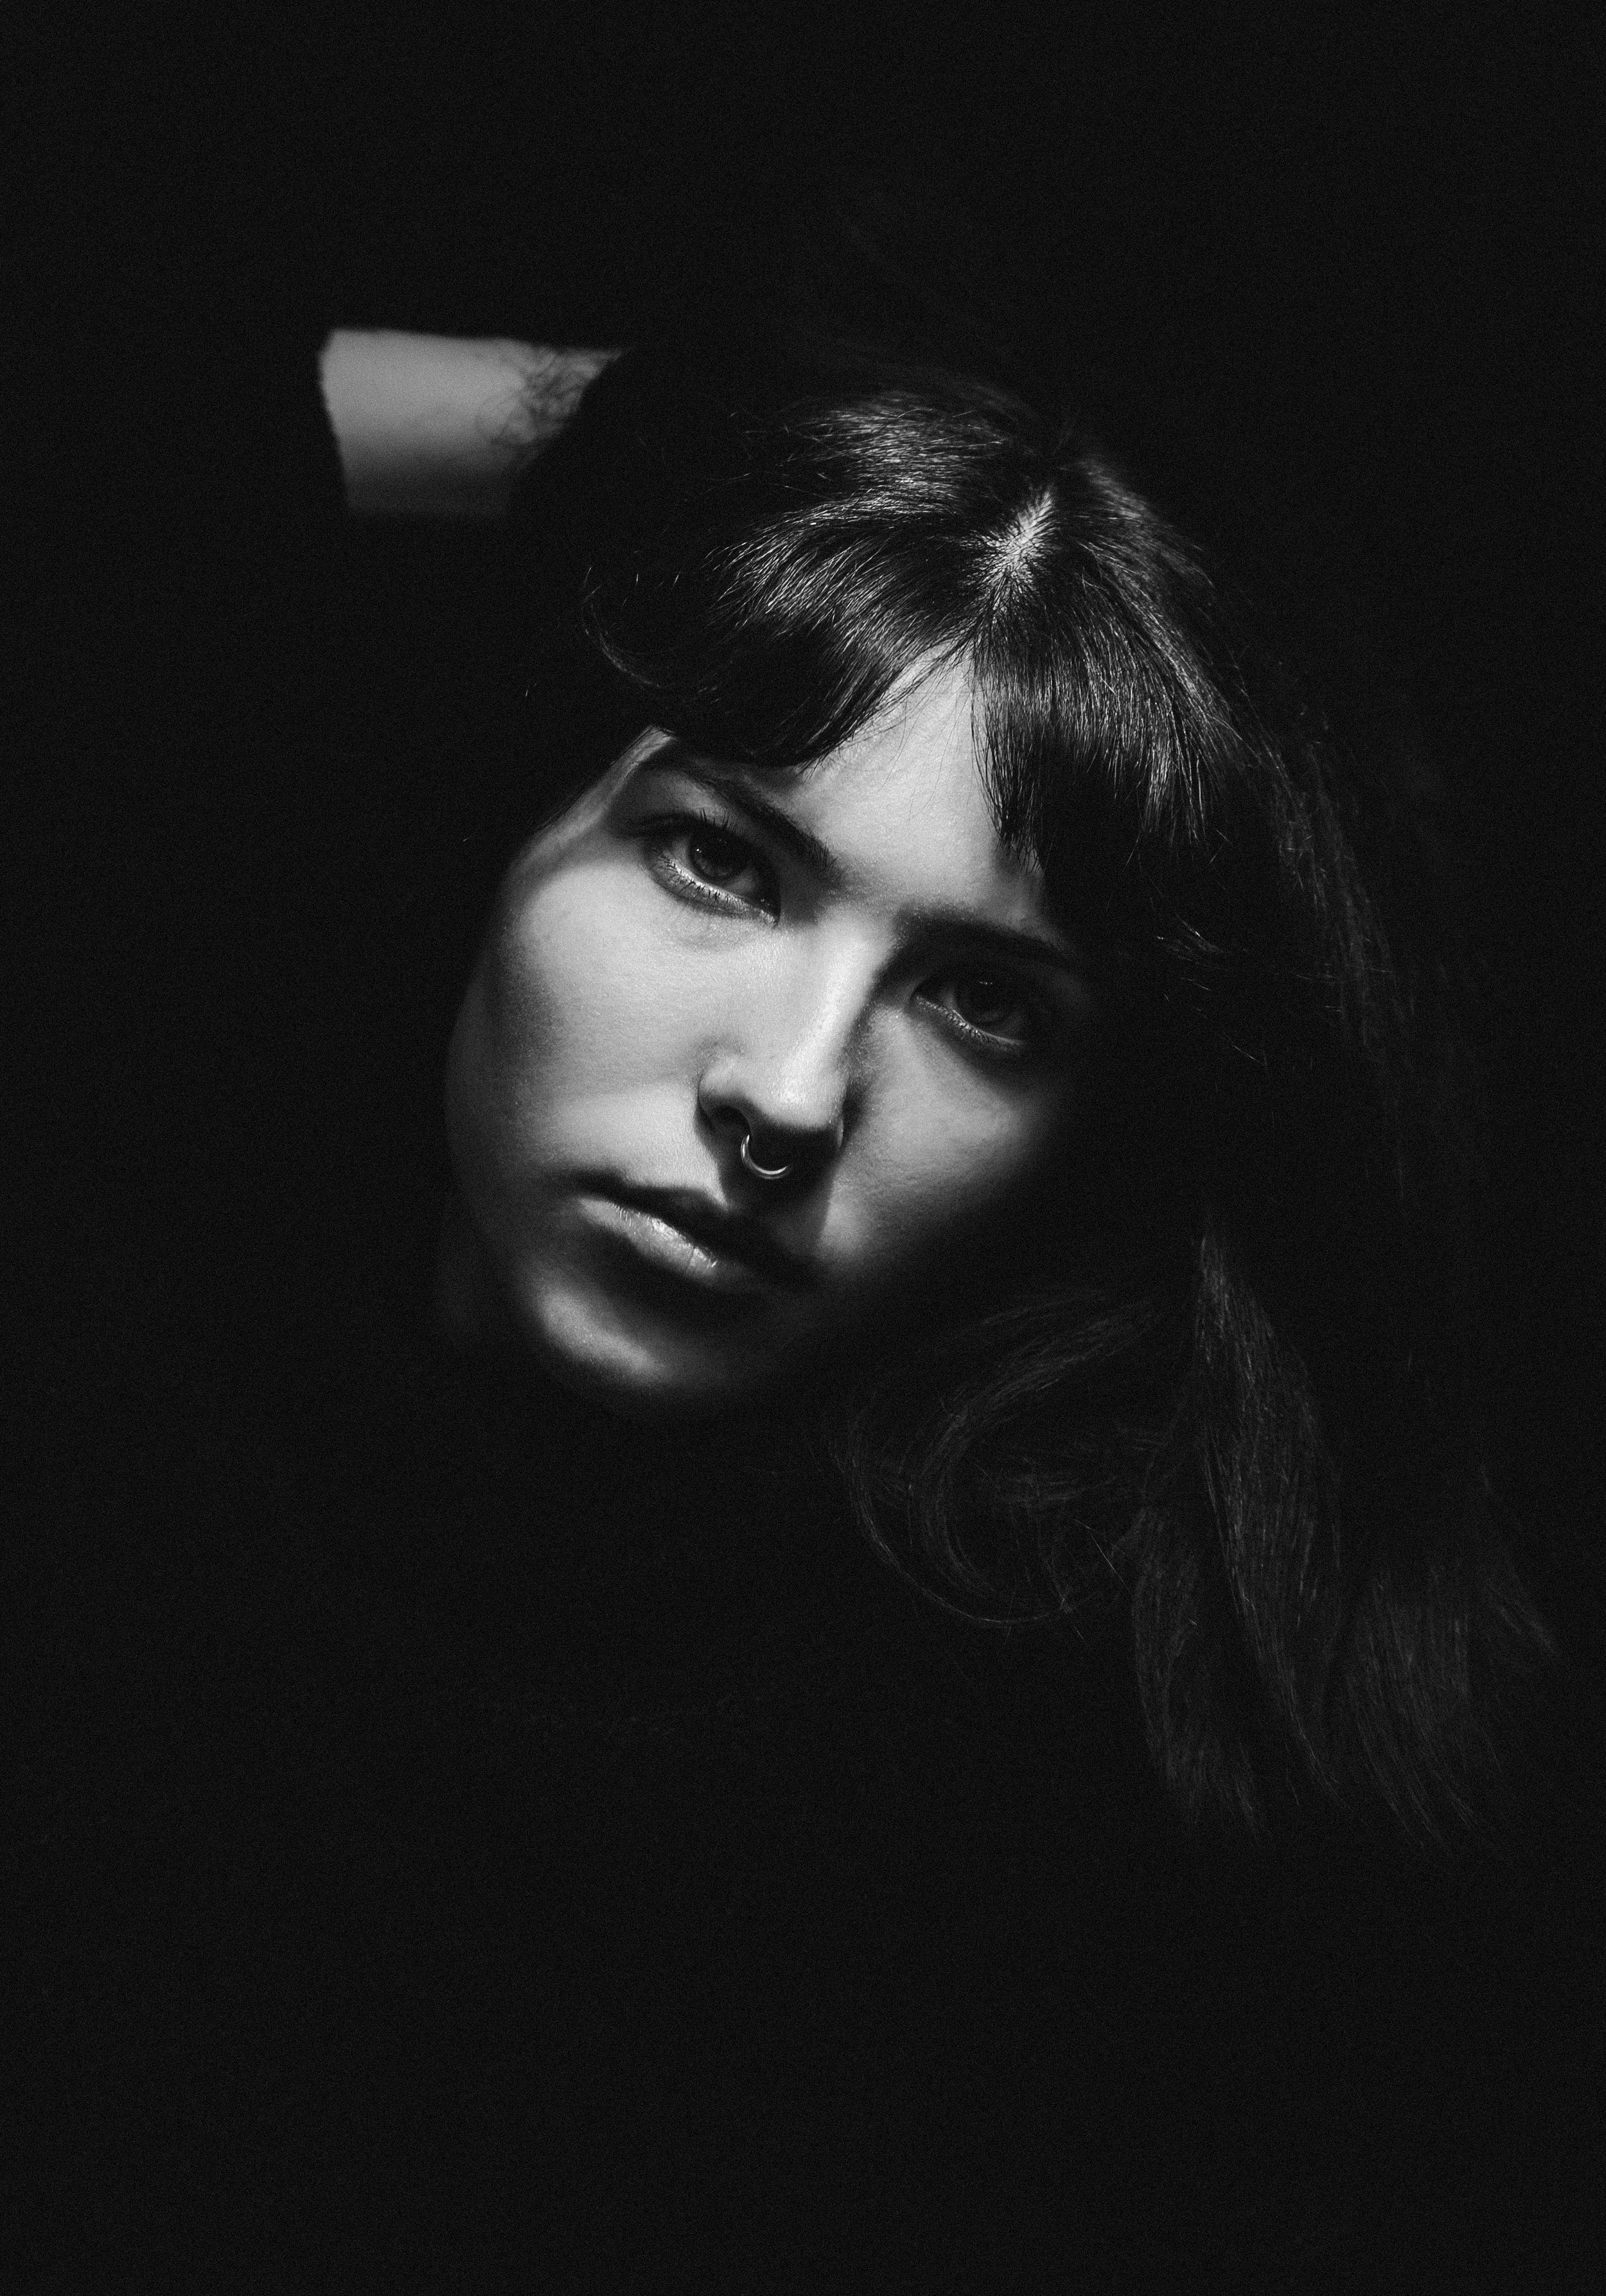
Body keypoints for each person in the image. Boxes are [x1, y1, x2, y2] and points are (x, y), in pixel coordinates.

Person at [12, 270, 1599, 2290]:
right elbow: (105, 421)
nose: (784, 1092)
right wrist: (694, 427)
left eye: (977, 1000)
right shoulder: (133, 1351)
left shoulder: (970, 1858)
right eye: (719, 865)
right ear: (509, 821)